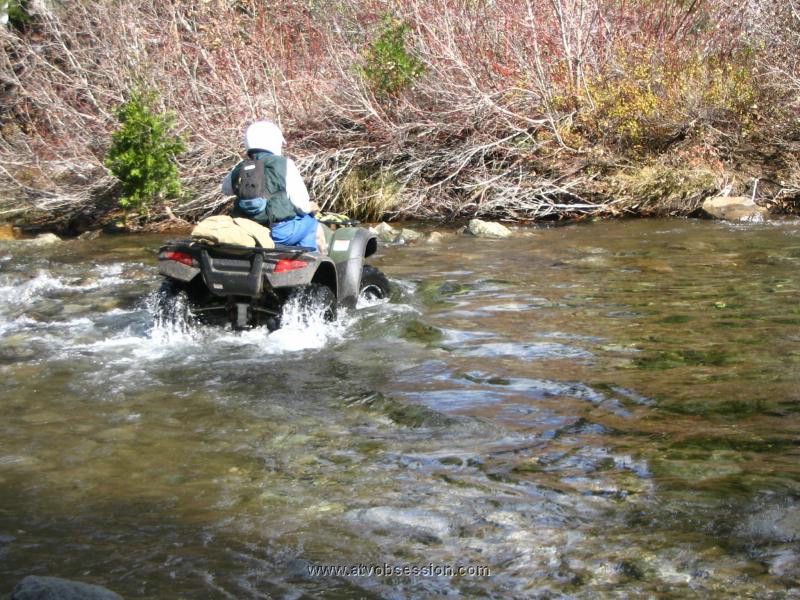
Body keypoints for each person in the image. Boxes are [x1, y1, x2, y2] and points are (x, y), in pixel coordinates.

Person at [222, 120, 326, 252]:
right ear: (274, 141)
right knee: (311, 223)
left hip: (247, 228)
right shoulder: (285, 164)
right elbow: (302, 206)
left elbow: (225, 190)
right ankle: (309, 262)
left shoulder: (241, 167)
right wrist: (310, 208)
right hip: (278, 233)